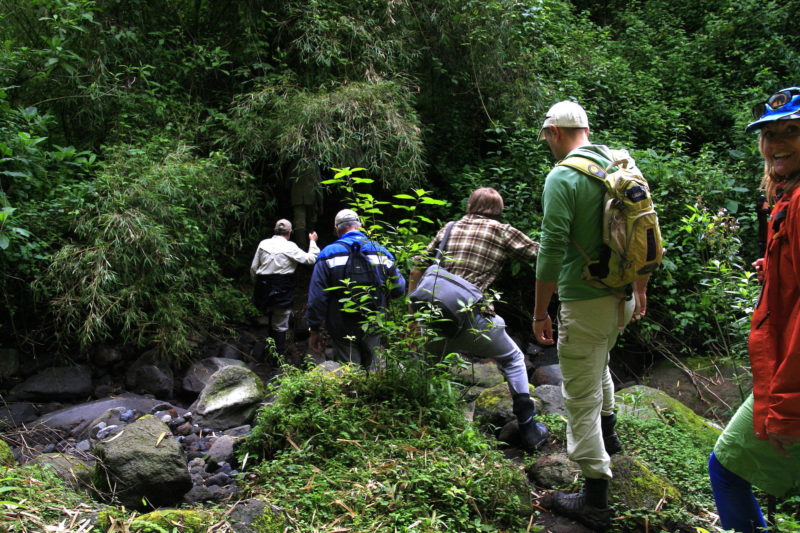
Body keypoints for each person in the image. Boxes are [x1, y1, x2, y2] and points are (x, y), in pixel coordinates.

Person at [532, 100, 648, 530]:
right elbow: (647, 231)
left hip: (585, 300)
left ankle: (595, 496)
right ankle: (611, 435)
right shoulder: (620, 162)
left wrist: (539, 313)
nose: (547, 143)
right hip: (623, 297)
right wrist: (639, 287)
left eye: (546, 136)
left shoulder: (563, 176)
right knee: (599, 362)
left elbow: (551, 251)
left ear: (555, 132)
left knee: (579, 397)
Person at [708, 87, 800, 532]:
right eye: (770, 132)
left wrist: (786, 407)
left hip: (795, 382)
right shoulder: (786, 194)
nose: (778, 141)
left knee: (726, 468)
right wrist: (776, 269)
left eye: (793, 130)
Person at [408, 187, 550, 451]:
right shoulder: (502, 231)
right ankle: (529, 427)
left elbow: (417, 268)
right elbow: (542, 255)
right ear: (498, 210)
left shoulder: (448, 228)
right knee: (513, 358)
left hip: (437, 317)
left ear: (470, 205)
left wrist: (412, 317)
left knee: (426, 366)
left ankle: (420, 426)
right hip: (475, 317)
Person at [307, 209, 406, 369]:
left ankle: (353, 392)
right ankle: (375, 391)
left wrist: (315, 328)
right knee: (375, 368)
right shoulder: (381, 252)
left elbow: (317, 298)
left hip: (341, 325)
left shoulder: (328, 254)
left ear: (336, 228)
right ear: (360, 225)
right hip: (375, 322)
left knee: (350, 370)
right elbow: (399, 289)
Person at [250, 219, 319, 356]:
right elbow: (311, 259)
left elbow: (253, 268)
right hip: (281, 288)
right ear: (290, 232)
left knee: (271, 316)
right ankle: (278, 360)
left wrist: (256, 286)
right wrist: (312, 241)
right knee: (280, 323)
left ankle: (269, 351)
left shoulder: (263, 243)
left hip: (262, 288)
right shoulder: (290, 246)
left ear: (275, 230)